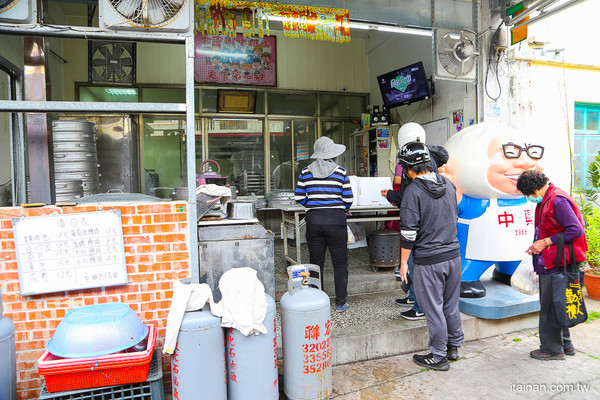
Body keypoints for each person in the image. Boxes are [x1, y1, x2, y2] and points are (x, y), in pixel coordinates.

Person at [396, 141, 463, 371]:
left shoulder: (413, 191)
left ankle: (438, 356)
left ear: (407, 168)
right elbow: (454, 216)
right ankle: (453, 346)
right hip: (453, 256)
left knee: (433, 308)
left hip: (429, 260)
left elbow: (408, 233)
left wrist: (404, 263)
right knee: (450, 305)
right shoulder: (448, 183)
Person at [516, 169, 588, 360]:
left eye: (529, 195)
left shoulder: (557, 200)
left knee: (550, 305)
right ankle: (566, 345)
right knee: (560, 303)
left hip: (558, 261)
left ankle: (551, 350)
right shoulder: (548, 198)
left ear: (534, 189)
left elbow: (576, 230)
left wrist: (546, 242)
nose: (530, 198)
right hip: (555, 259)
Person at [381, 122, 449, 320]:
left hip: (423, 225)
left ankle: (420, 306)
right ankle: (413, 297)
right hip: (435, 228)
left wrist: (392, 195)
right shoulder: (431, 161)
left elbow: (411, 195)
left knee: (415, 264)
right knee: (414, 264)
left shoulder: (416, 166)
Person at [295, 136, 354, 313]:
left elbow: (299, 197)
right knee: (340, 263)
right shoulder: (341, 172)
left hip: (314, 222)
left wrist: (313, 206)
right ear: (332, 155)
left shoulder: (306, 172)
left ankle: (316, 301)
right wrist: (335, 209)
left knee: (316, 262)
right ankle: (341, 302)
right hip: (336, 222)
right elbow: (348, 200)